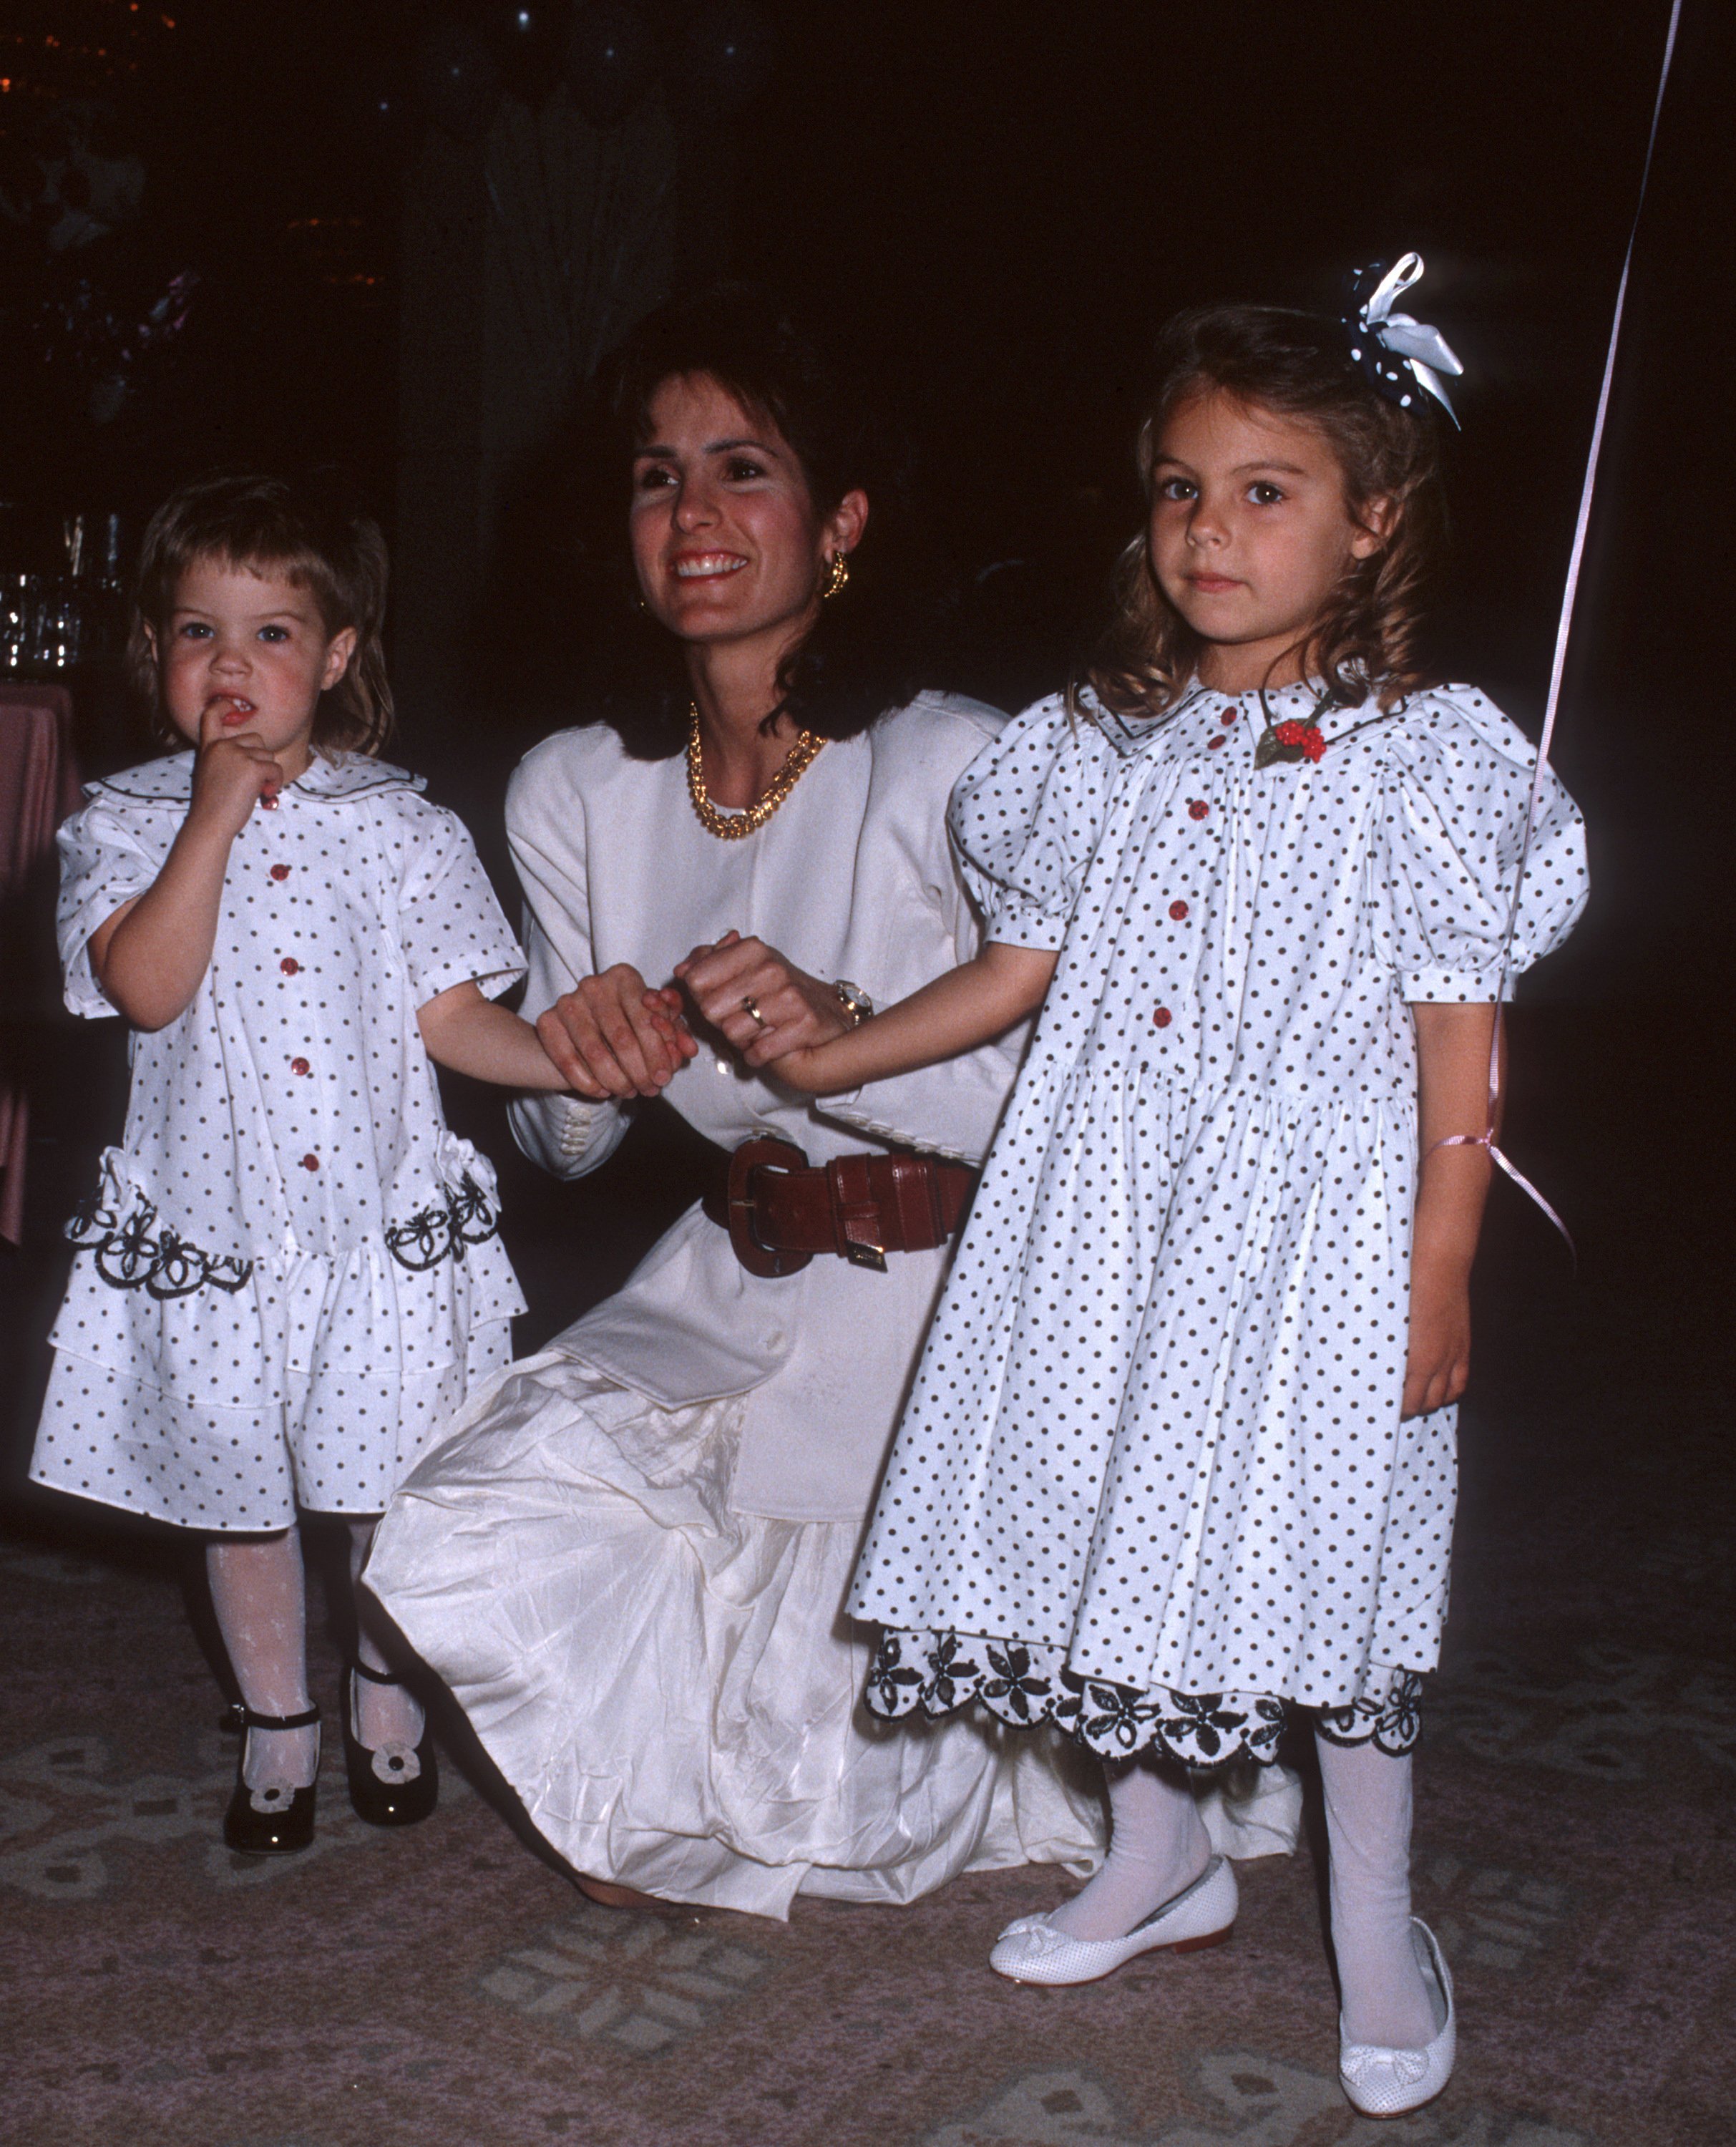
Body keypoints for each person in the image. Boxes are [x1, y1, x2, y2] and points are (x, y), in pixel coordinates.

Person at [752, 272, 1587, 2113]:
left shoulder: (1428, 760)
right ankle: (1160, 1857)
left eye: (1265, 489)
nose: (1211, 530)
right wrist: (839, 1052)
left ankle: (1375, 1912)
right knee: (1093, 1517)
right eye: (1180, 489)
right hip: (1099, 1209)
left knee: (1324, 1564)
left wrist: (1441, 1268)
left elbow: (1466, 1044)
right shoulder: (1091, 748)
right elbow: (1019, 968)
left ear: (1371, 519)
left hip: (1316, 1237)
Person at [366, 289, 1296, 1918]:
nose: (694, 515)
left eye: (743, 468)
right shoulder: (575, 786)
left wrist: (853, 1033)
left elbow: (1093, 1112)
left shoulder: (956, 763)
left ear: (841, 519)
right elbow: (559, 1134)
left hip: (964, 1307)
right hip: (730, 1277)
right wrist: (574, 1066)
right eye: (657, 478)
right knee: (476, 1509)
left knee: (849, 1760)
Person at [30, 474, 570, 1854]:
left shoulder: (403, 828)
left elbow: (454, 1019)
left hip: (369, 1236)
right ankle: (278, 1718)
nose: (230, 666)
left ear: (334, 657)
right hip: (220, 1241)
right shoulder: (123, 825)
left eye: (272, 634)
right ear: (155, 653)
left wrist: (574, 1059)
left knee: (384, 1489)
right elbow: (147, 989)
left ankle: (385, 1683)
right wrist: (211, 815)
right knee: (240, 1493)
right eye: (197, 631)